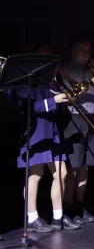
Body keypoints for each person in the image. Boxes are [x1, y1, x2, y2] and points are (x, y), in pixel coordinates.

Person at [9, 44, 73, 232]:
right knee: (35, 175)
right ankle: (32, 218)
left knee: (61, 174)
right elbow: (25, 108)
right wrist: (54, 101)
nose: (50, 60)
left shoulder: (50, 80)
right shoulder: (22, 81)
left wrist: (64, 99)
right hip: (35, 133)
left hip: (52, 132)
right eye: (45, 56)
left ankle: (58, 217)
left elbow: (54, 102)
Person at [59, 36, 94, 226]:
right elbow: (70, 96)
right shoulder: (65, 70)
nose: (87, 53)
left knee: (85, 168)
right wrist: (91, 81)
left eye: (88, 50)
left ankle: (80, 206)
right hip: (74, 119)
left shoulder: (92, 70)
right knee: (73, 168)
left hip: (92, 119)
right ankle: (66, 208)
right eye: (82, 49)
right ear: (72, 50)